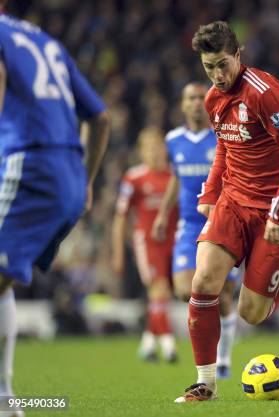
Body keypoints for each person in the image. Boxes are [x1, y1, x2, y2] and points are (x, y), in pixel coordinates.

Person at [175, 21, 279, 402]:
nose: (218, 75)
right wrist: (211, 189)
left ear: (238, 55)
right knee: (203, 282)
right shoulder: (212, 100)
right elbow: (225, 147)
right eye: (209, 68)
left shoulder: (265, 93)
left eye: (223, 64)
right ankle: (205, 383)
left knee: (251, 314)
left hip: (276, 208)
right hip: (234, 202)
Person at [0, 2, 109, 414]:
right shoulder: (44, 40)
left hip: (29, 164)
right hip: (66, 174)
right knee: (3, 278)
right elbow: (100, 117)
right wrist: (87, 179)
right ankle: (6, 400)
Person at [151, 82, 241, 378]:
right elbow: (176, 178)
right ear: (182, 104)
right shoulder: (173, 139)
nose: (194, 103)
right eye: (189, 98)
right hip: (189, 225)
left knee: (224, 294)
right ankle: (213, 346)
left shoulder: (221, 135)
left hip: (219, 222)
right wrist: (164, 214)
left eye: (199, 98)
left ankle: (224, 357)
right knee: (183, 289)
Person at [112, 127, 178, 363]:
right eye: (148, 148)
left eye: (157, 147)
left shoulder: (175, 175)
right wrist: (118, 252)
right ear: (141, 152)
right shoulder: (134, 178)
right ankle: (169, 346)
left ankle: (148, 343)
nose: (153, 153)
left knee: (164, 294)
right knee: (159, 291)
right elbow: (120, 216)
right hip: (147, 242)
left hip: (175, 241)